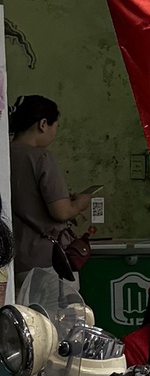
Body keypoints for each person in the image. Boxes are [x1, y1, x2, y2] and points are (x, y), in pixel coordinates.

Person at [7, 94, 91, 291]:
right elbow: (61, 212)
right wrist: (80, 203)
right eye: (56, 127)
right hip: (48, 262)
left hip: (15, 259)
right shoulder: (42, 158)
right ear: (43, 124)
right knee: (54, 320)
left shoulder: (5, 155)